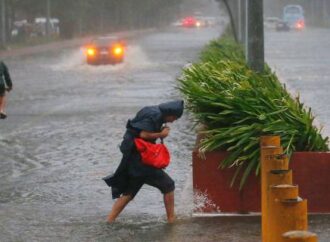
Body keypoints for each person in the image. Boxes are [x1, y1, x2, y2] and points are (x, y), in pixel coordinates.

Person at [103, 100, 184, 224]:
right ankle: (171, 220)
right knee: (168, 185)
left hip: (133, 157)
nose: (173, 121)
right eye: (174, 118)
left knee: (129, 193)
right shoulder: (156, 116)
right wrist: (161, 134)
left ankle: (109, 220)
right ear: (170, 113)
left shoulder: (150, 109)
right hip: (141, 160)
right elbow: (144, 134)